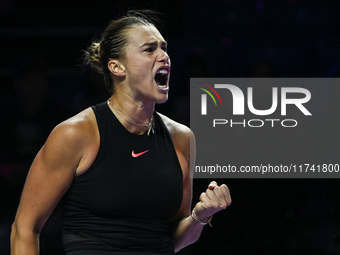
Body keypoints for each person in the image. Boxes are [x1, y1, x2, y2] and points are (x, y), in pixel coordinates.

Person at [10, 10, 232, 254]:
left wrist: (201, 216)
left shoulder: (182, 138)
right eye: (149, 49)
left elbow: (172, 239)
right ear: (117, 67)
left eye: (164, 48)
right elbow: (25, 228)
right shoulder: (76, 134)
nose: (165, 56)